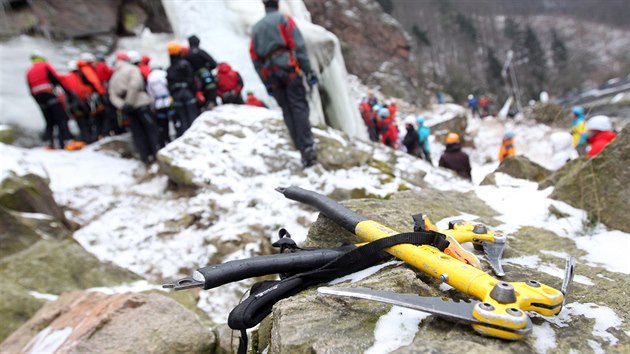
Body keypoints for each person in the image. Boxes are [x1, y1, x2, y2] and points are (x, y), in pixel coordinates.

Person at [250, 0, 319, 167]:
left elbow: (255, 58)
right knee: (298, 106)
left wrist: (265, 81)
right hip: (288, 68)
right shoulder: (284, 20)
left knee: (287, 109)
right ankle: (307, 146)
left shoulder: (256, 29)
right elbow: (298, 46)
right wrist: (308, 70)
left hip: (271, 73)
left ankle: (300, 147)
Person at [108, 52, 160, 165]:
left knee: (138, 133)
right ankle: (157, 154)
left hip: (129, 110)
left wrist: (123, 105)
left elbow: (112, 95)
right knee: (151, 129)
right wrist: (129, 102)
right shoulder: (132, 69)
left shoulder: (113, 76)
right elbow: (135, 85)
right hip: (141, 104)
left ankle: (144, 157)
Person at [26, 52, 73, 149]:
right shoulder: (45, 65)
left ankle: (49, 142)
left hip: (39, 98)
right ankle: (64, 141)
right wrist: (68, 92)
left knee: (49, 121)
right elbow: (56, 78)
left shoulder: (29, 71)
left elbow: (30, 88)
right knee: (61, 118)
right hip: (49, 94)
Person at [166, 41, 200, 137]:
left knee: (183, 119)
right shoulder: (185, 64)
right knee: (193, 117)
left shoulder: (169, 68)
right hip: (187, 93)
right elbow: (192, 79)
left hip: (177, 95)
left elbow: (169, 84)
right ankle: (196, 136)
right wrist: (195, 92)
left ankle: (186, 137)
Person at [186, 35, 218, 110]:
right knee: (212, 100)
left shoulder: (187, 54)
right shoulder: (201, 52)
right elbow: (214, 64)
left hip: (196, 82)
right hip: (207, 80)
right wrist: (207, 69)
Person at [147, 67, 176, 147]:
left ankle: (166, 140)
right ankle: (176, 136)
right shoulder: (163, 74)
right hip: (169, 100)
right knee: (174, 120)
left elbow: (150, 92)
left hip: (158, 103)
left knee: (163, 125)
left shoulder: (150, 77)